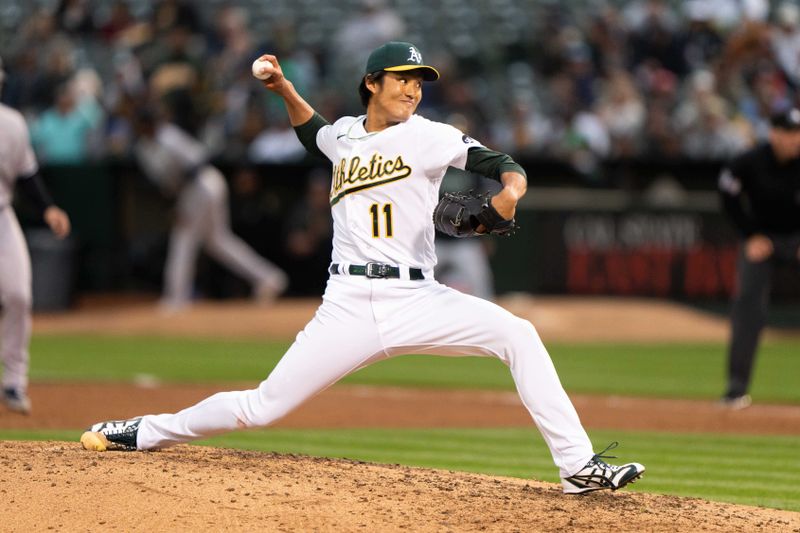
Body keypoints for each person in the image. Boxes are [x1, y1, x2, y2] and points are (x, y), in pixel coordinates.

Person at [81, 42, 645, 494]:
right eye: (402, 78)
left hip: (420, 300)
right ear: (372, 83)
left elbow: (502, 163)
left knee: (517, 335)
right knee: (261, 407)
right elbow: (314, 131)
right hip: (347, 306)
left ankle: (577, 466)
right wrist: (284, 88)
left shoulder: (430, 136)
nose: (413, 89)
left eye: (419, 80)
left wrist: (510, 194)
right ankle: (141, 431)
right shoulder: (345, 137)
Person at [133, 109, 287, 311]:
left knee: (184, 238)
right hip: (191, 190)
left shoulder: (169, 136)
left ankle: (176, 298)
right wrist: (175, 202)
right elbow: (163, 185)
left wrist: (180, 202)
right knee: (219, 242)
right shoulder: (144, 149)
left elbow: (198, 161)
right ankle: (270, 278)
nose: (146, 128)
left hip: (203, 184)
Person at [0, 56, 71, 414]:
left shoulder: (11, 124)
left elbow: (26, 175)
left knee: (18, 295)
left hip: (1, 218)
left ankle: (13, 382)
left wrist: (48, 208)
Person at [718, 107, 800, 409]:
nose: (796, 139)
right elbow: (727, 196)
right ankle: (736, 389)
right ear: (774, 133)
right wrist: (750, 234)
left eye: (798, 133)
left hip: (796, 238)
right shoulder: (750, 161)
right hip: (762, 240)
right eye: (790, 133)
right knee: (748, 308)